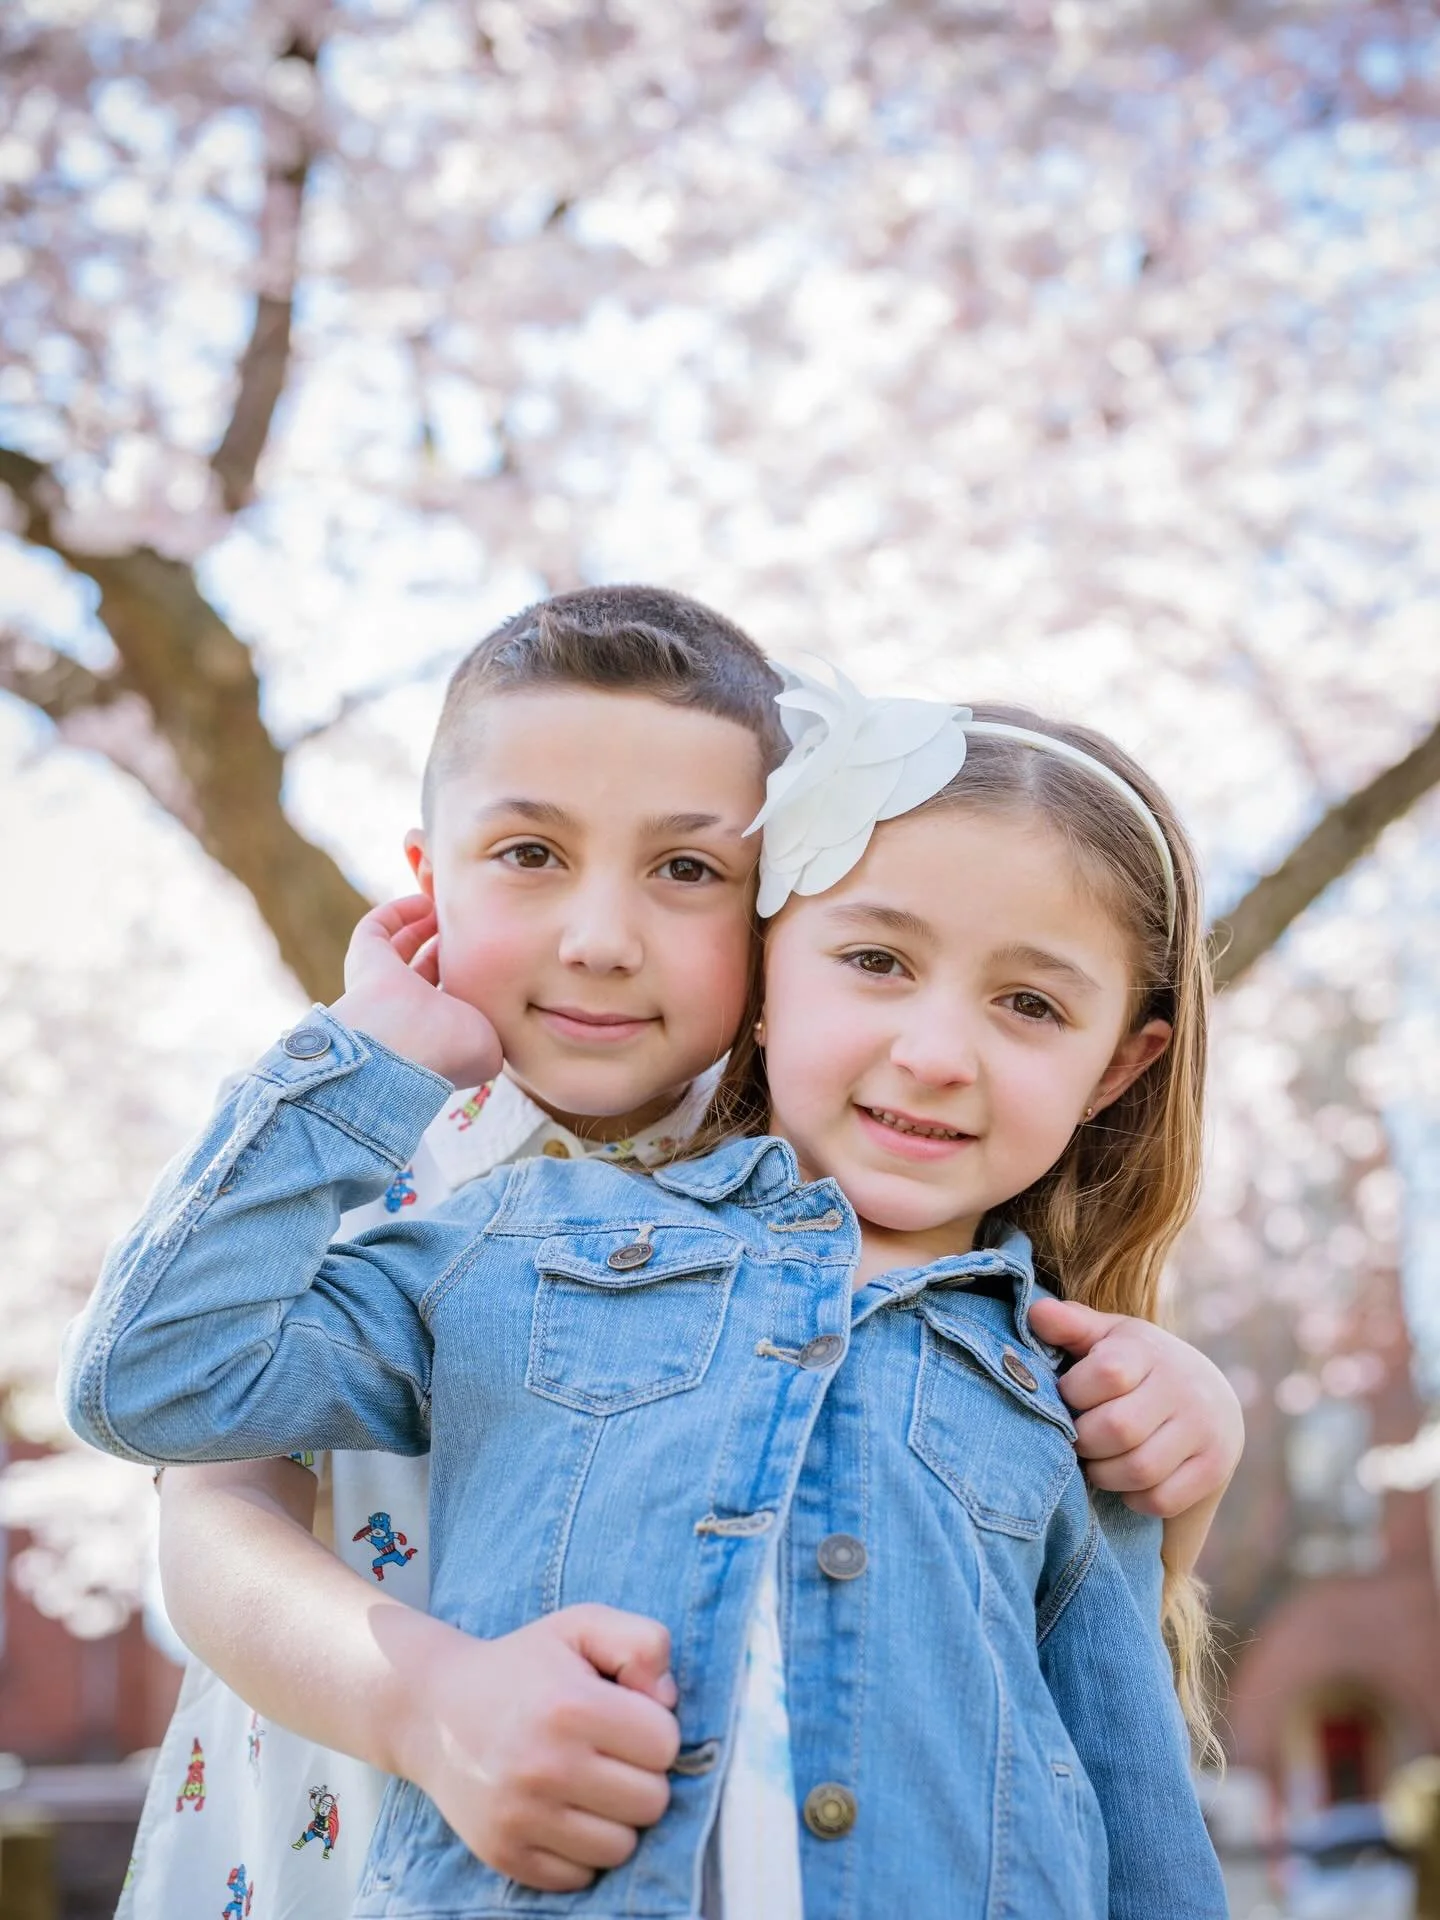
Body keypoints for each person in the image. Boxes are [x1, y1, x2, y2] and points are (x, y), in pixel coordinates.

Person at [68, 658, 1239, 1917]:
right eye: (530, 852)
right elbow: (169, 1405)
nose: (603, 940)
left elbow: (1120, 1759)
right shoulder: (447, 1194)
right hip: (357, 1811)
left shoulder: (1051, 1367)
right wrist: (357, 1061)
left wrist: (1194, 1452)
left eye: (685, 869)